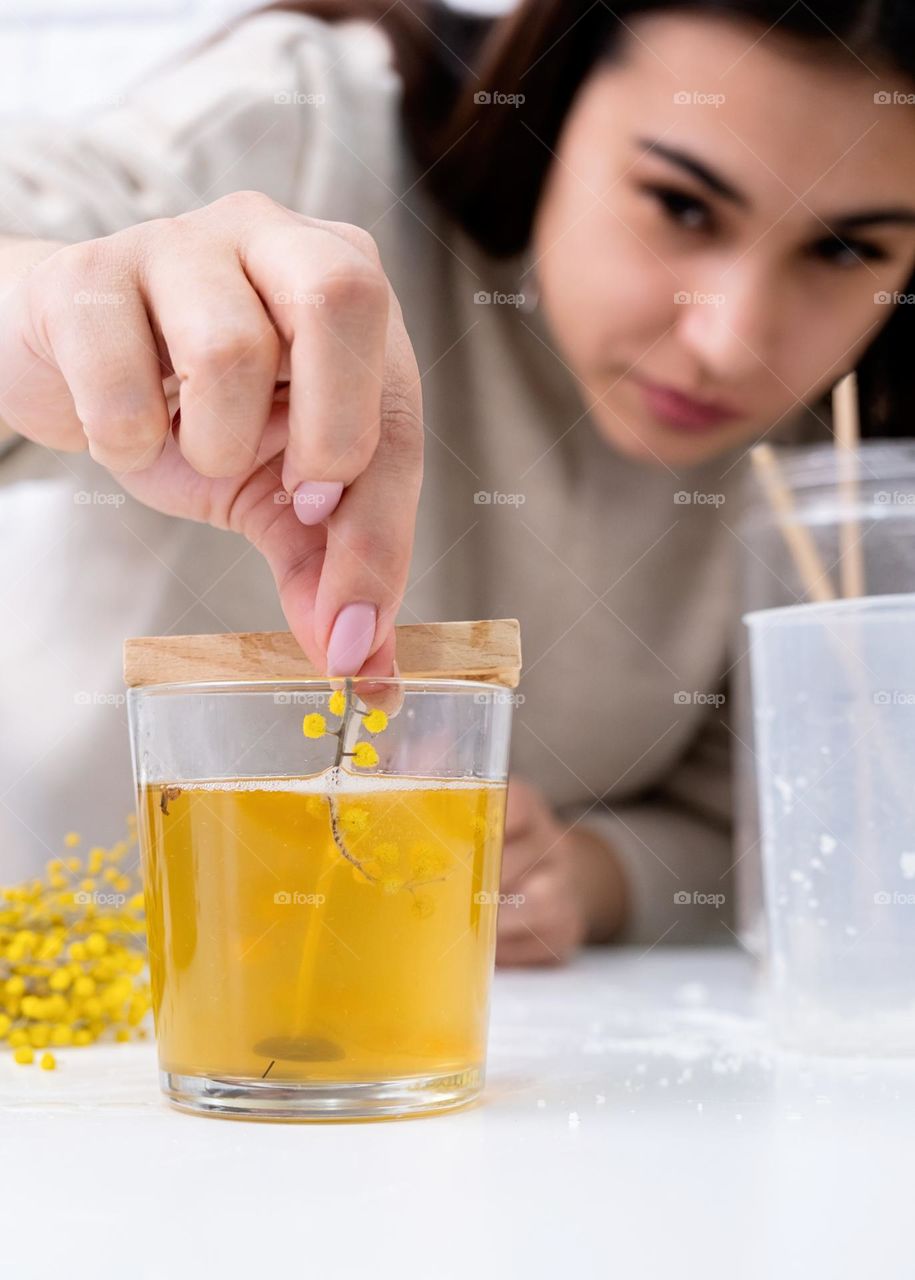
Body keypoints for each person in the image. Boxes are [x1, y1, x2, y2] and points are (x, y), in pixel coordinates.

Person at [0, 0, 913, 963]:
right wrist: (41, 310)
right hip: (69, 1027)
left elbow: (792, 821)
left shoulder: (853, 452)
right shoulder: (304, 133)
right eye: (680, 206)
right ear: (551, 107)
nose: (727, 342)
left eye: (845, 251)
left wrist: (587, 873)